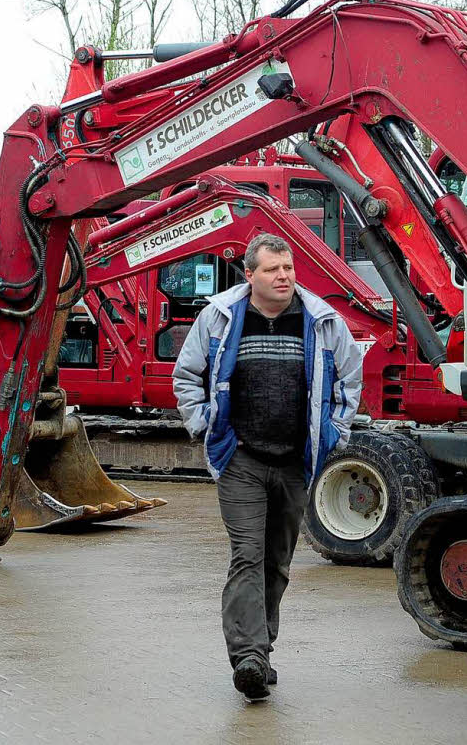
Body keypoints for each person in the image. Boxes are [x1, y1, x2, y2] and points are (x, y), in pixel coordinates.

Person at [172, 233, 362, 702]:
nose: (283, 276)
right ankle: (248, 657)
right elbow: (187, 374)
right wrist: (204, 427)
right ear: (249, 275)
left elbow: (349, 379)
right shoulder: (219, 318)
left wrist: (335, 431)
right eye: (272, 269)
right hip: (242, 459)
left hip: (296, 461)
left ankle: (263, 648)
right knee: (247, 556)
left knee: (277, 561)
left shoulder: (320, 321)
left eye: (288, 268)